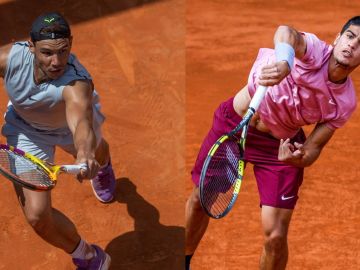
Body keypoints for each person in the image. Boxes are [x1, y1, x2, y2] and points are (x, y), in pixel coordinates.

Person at [185, 16, 360, 270]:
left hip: (278, 147)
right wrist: (285, 63)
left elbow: (313, 149)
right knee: (201, 200)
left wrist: (298, 157)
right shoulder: (315, 51)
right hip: (234, 126)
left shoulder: (345, 102)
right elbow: (286, 32)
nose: (353, 46)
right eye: (350, 36)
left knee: (276, 235)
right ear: (338, 39)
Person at [0, 12, 117, 269]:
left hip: (67, 128)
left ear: (71, 44)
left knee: (96, 149)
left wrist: (85, 153)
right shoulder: (8, 59)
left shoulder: (77, 83)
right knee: (38, 217)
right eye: (46, 53)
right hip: (25, 131)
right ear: (30, 46)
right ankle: (88, 256)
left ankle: (103, 165)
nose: (56, 62)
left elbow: (81, 124)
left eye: (63, 51)